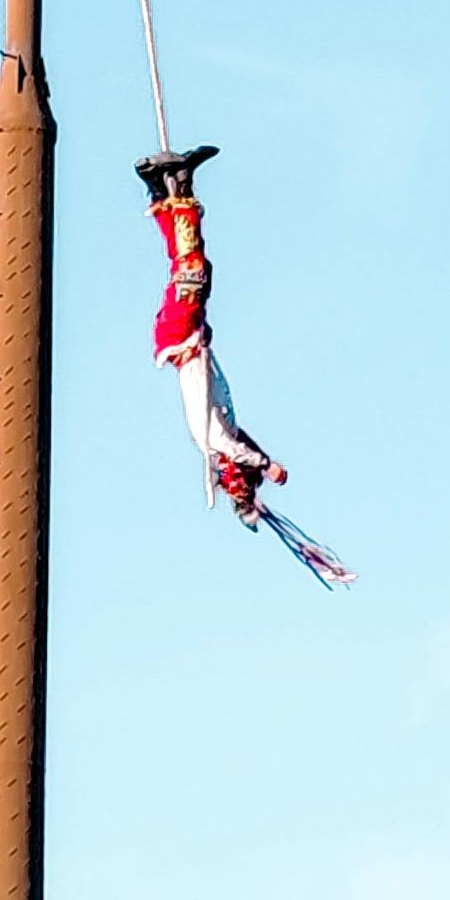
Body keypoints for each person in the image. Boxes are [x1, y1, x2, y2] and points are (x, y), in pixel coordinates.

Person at [134, 143, 354, 586]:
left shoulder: (212, 439)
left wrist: (265, 467)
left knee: (191, 267)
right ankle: (165, 189)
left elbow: (236, 448)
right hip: (187, 337)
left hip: (181, 337)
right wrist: (265, 462)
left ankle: (173, 187)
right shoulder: (222, 436)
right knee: (193, 266)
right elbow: (243, 442)